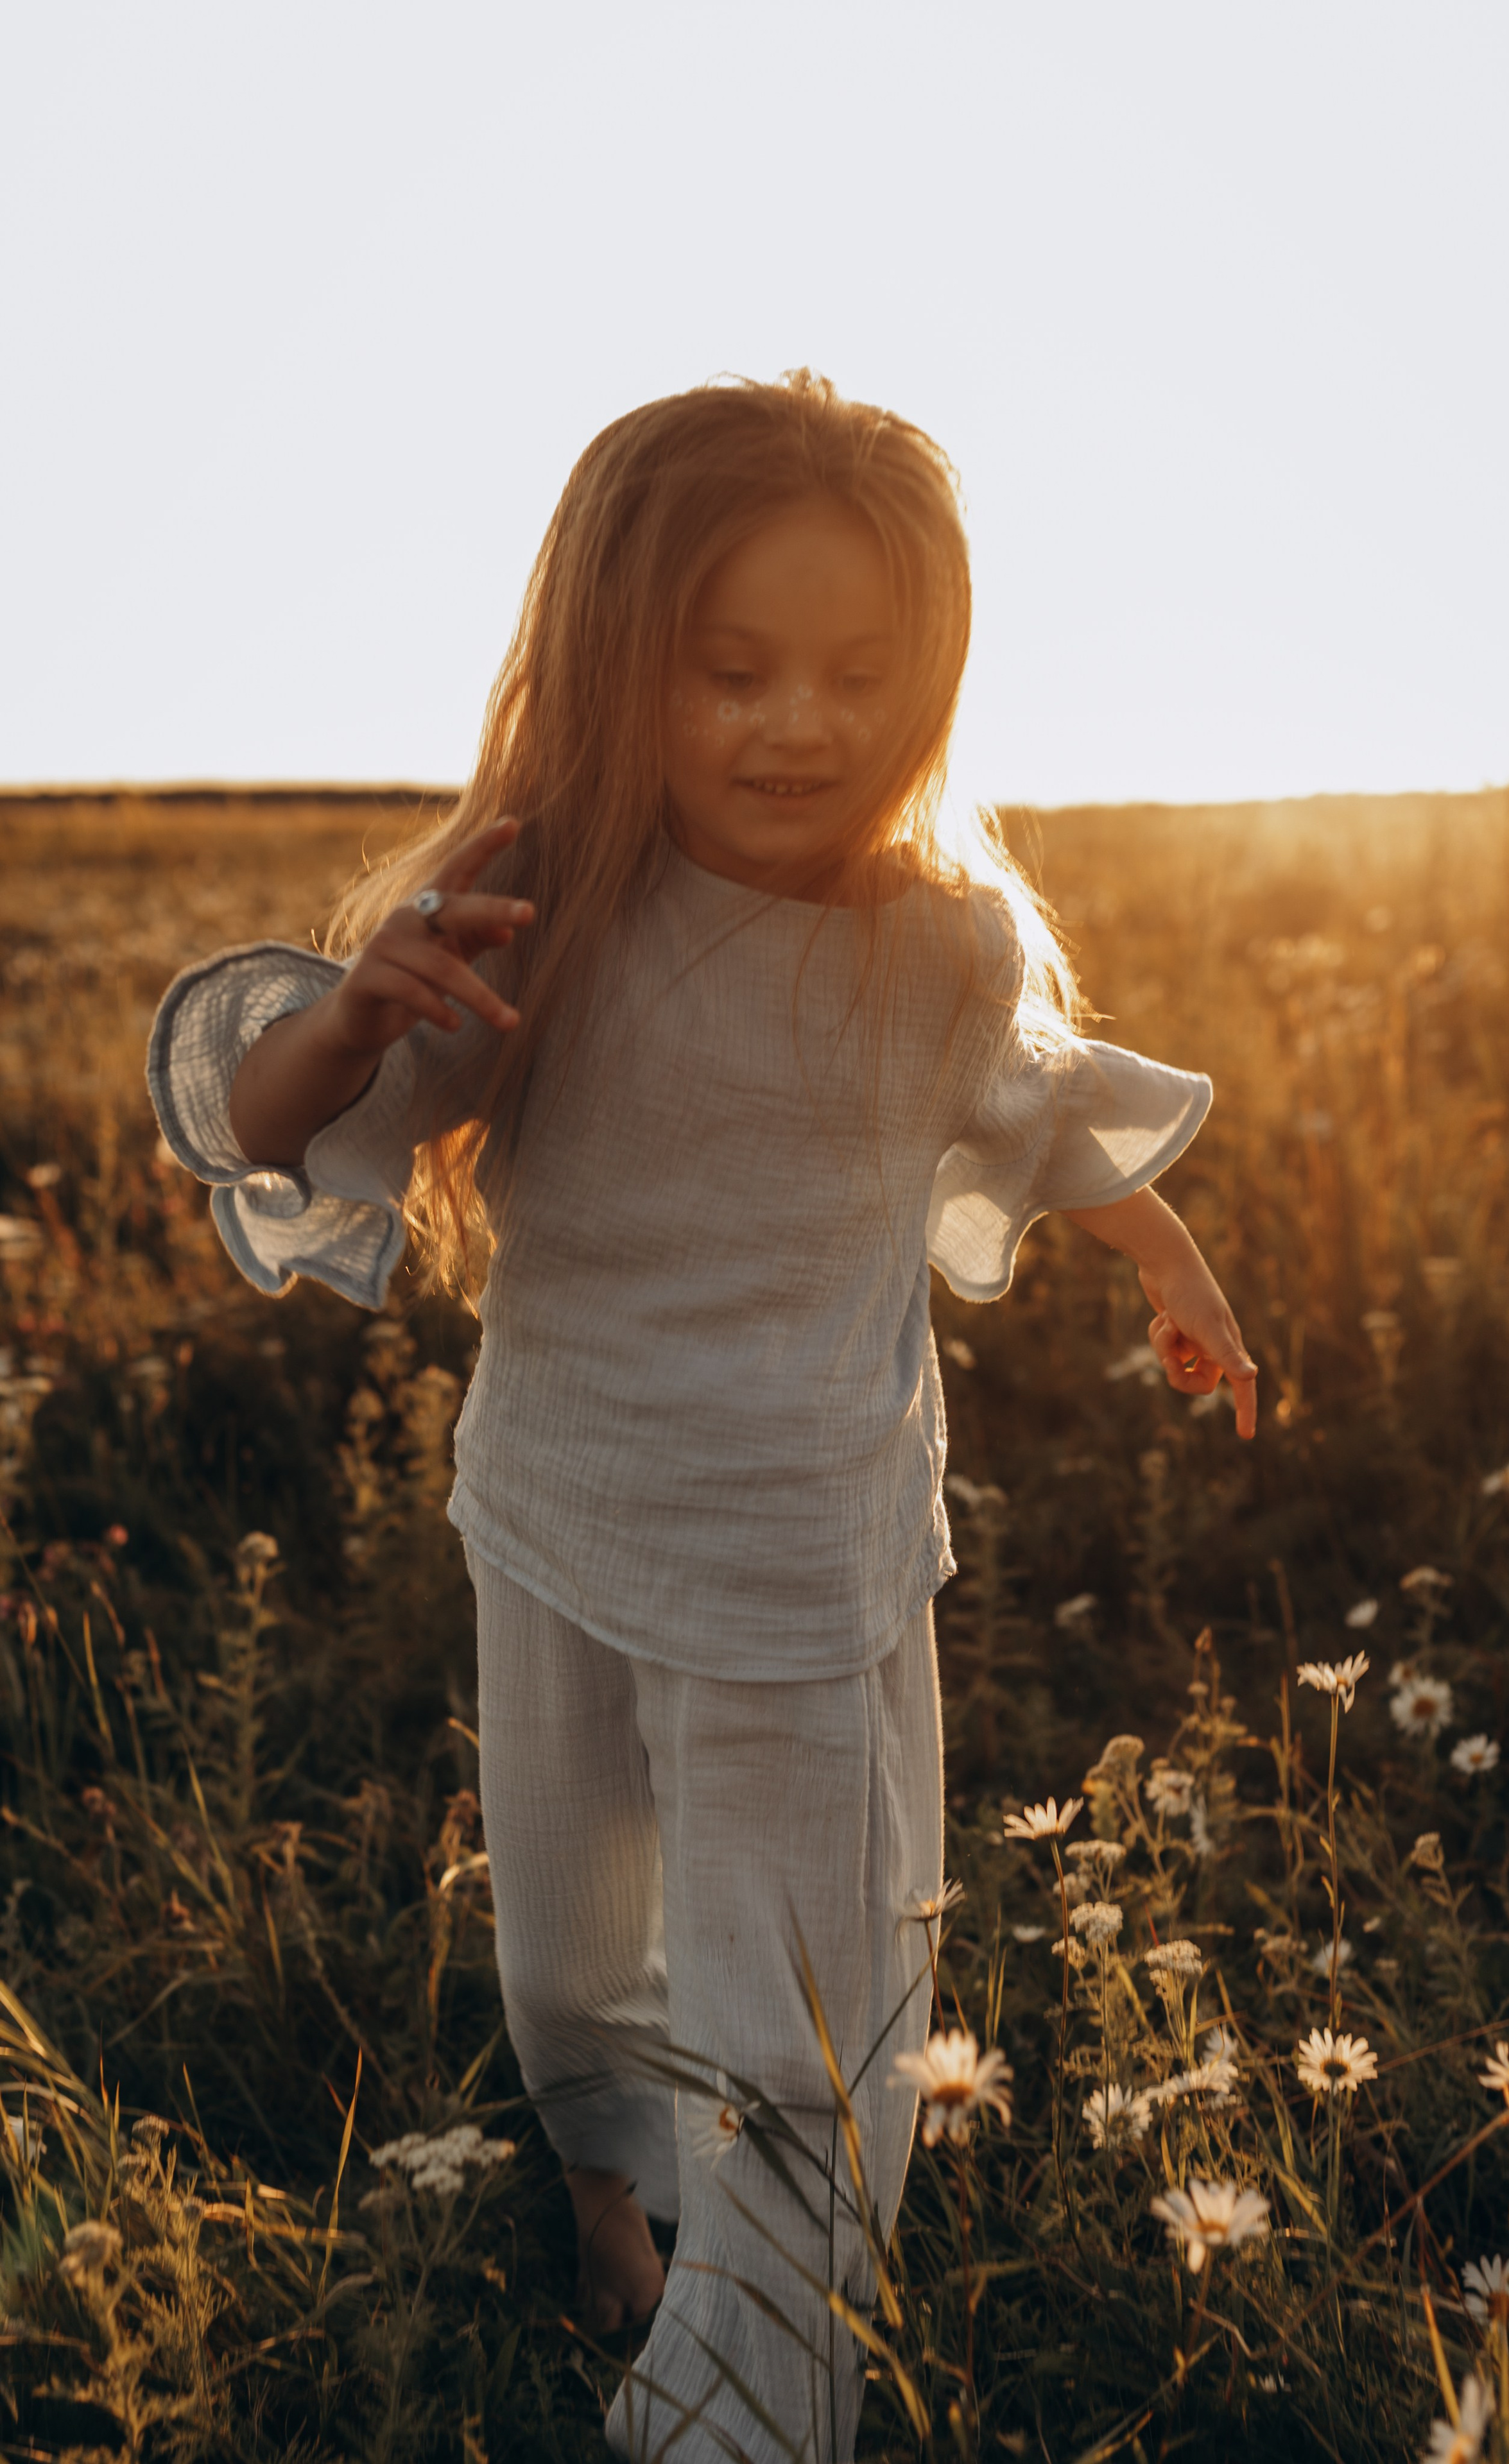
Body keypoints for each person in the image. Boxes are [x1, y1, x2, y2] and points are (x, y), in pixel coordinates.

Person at [147, 370, 1257, 2461]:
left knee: (801, 2048)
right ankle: (600, 2200)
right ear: (615, 662)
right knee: (573, 1966)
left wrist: (1177, 1272)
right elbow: (289, 1130)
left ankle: (735, 2407)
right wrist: (360, 1002)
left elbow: (1055, 1125)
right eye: (730, 669)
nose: (797, 725)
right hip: (556, 1512)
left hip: (797, 1564)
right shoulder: (539, 910)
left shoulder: (939, 948)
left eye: (860, 674)